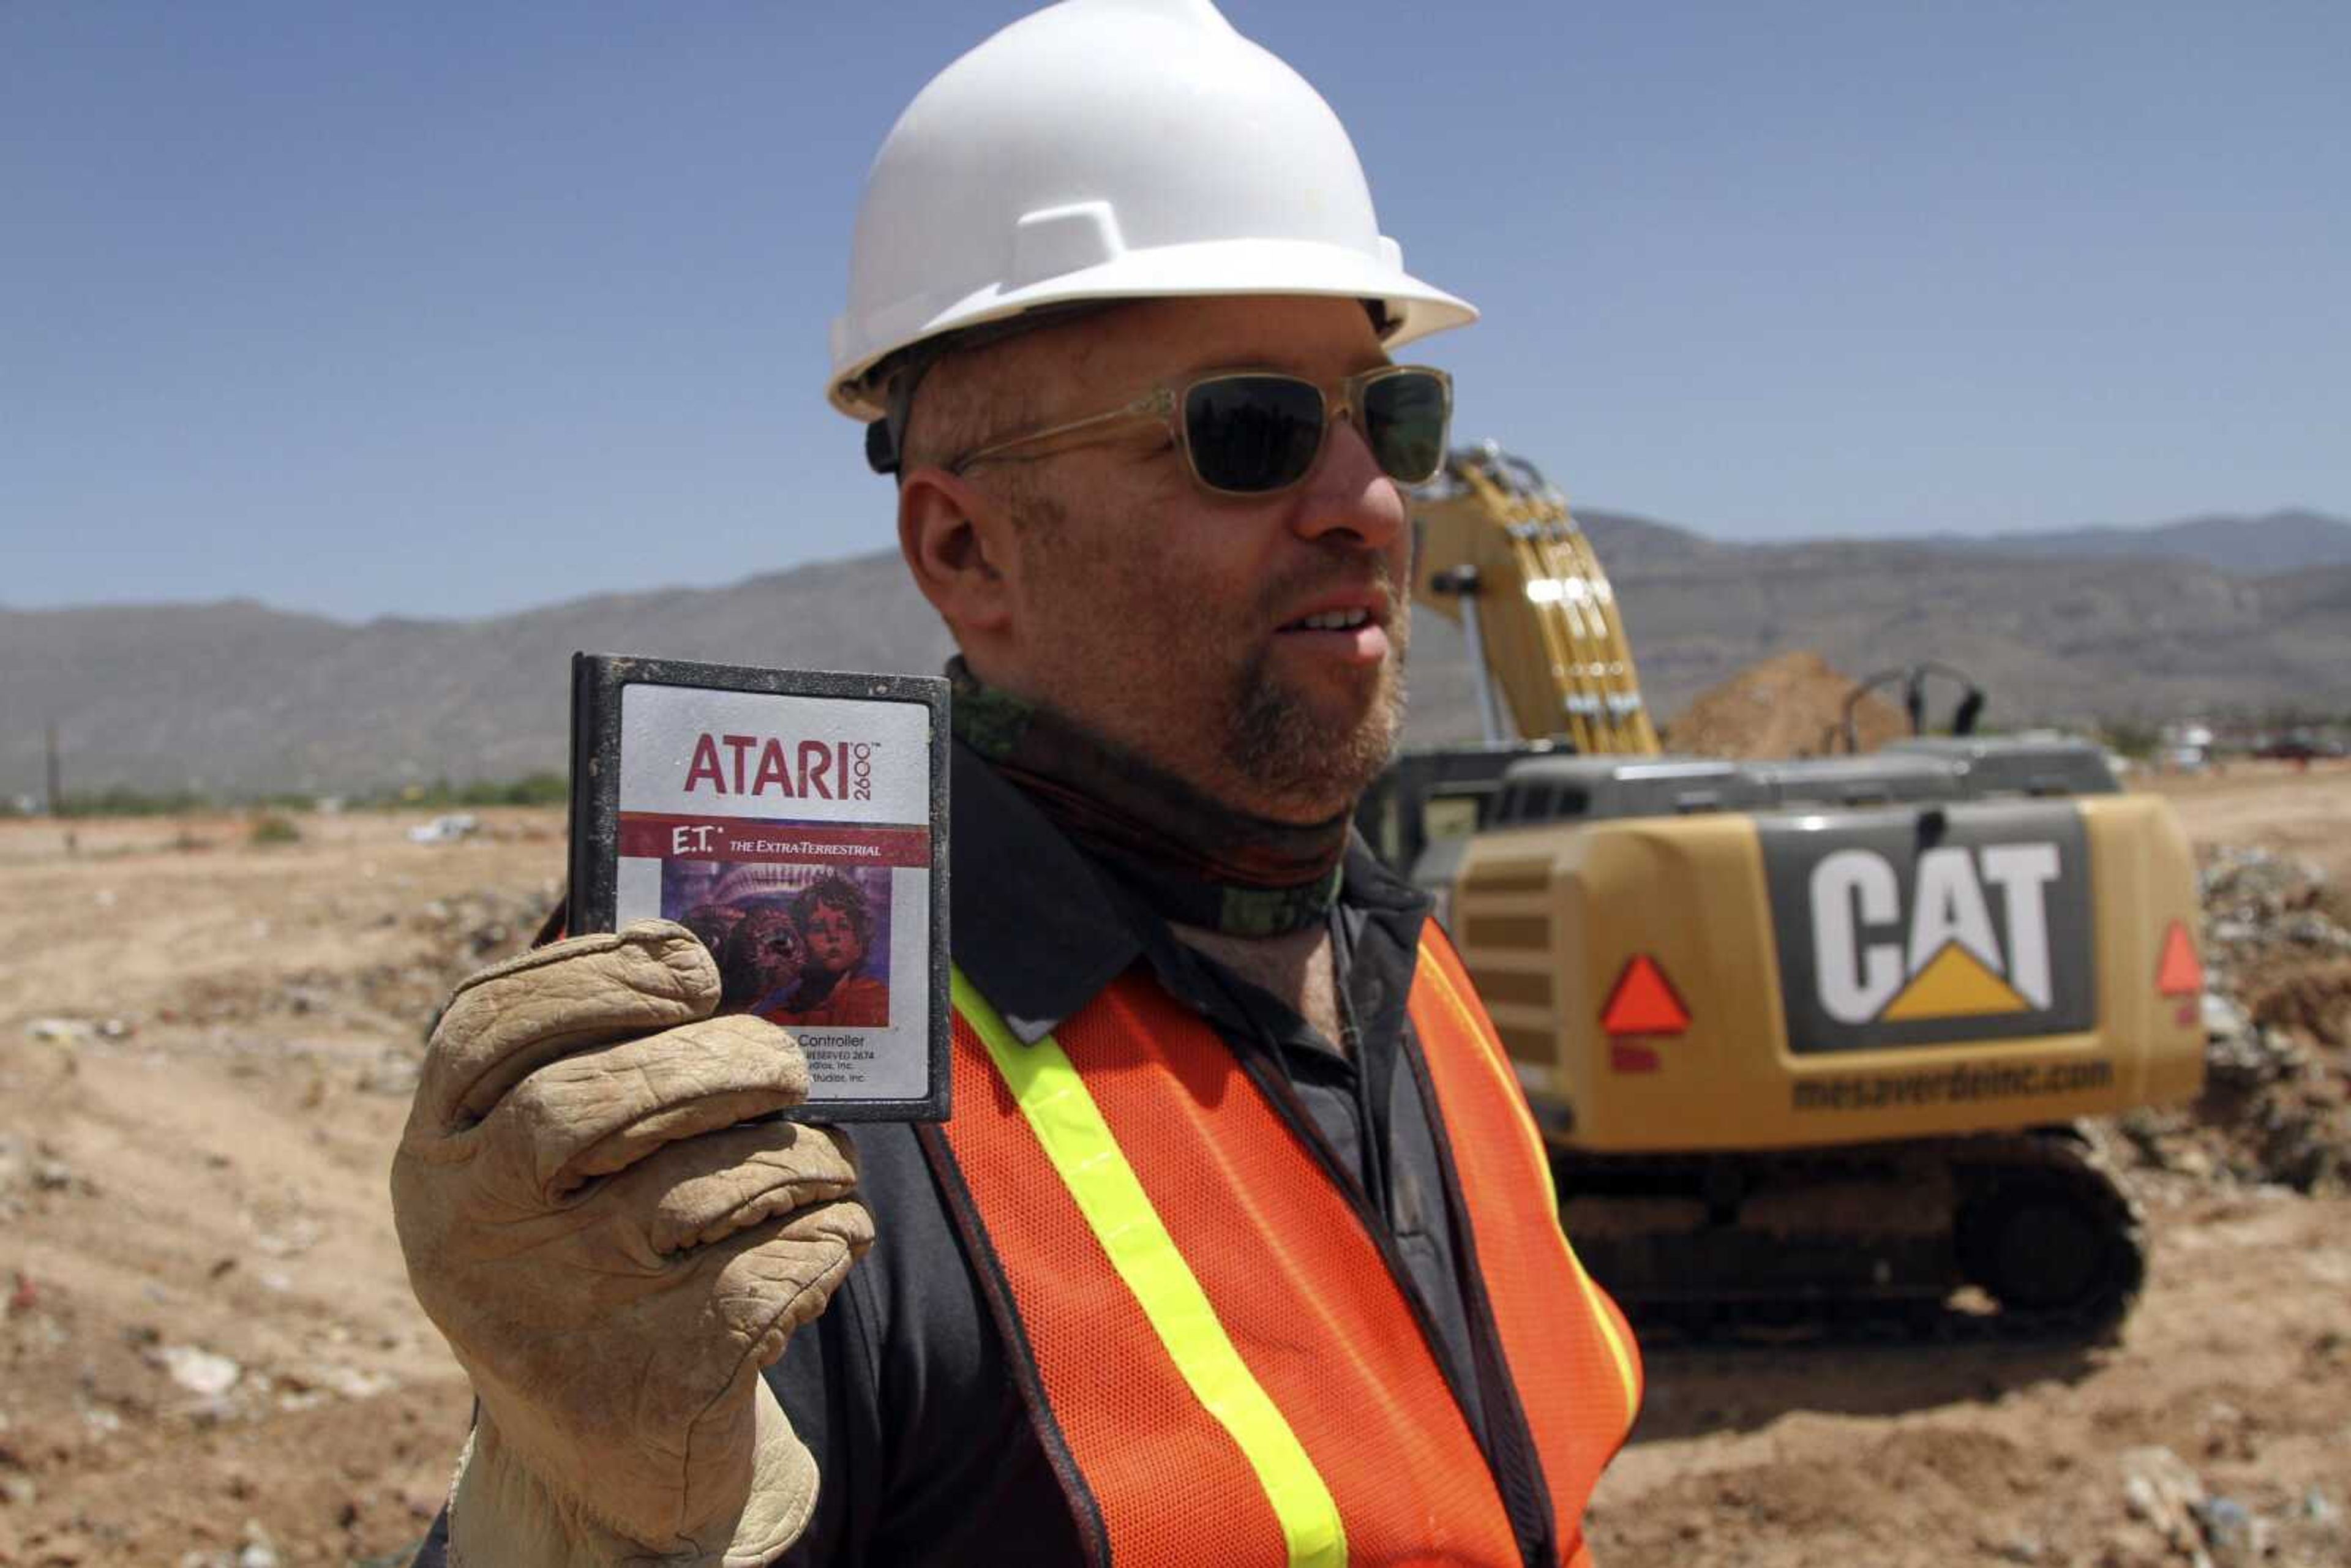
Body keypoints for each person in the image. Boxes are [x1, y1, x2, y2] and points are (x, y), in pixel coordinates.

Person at [391, 4, 1643, 1565]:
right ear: (964, 547)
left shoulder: (1406, 958)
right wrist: (577, 1522)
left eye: (1389, 411)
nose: (1372, 501)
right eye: (1246, 430)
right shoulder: (796, 1083)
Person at [772, 874, 889, 1029]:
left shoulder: (877, 1004)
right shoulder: (776, 1021)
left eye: (843, 926)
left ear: (859, 944)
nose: (833, 936)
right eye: (819, 928)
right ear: (799, 943)